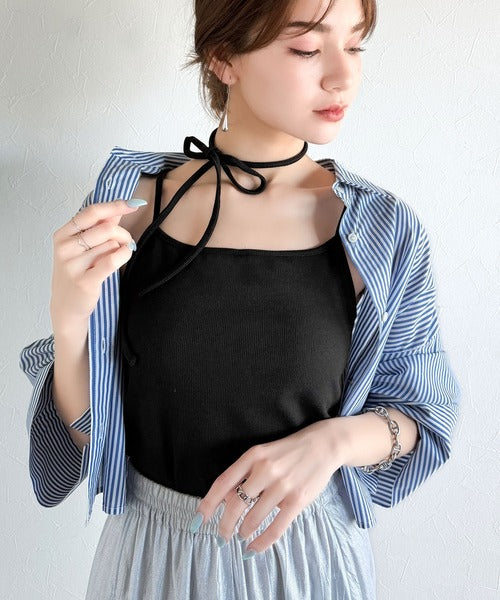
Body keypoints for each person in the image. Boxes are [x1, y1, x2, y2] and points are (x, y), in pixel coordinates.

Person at [19, 0, 461, 598]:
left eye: (355, 45)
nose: (343, 76)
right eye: (307, 48)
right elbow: (86, 438)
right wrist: (71, 323)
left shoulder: (380, 230)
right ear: (223, 56)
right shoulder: (131, 205)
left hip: (307, 563)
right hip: (150, 560)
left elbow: (423, 416)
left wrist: (333, 442)